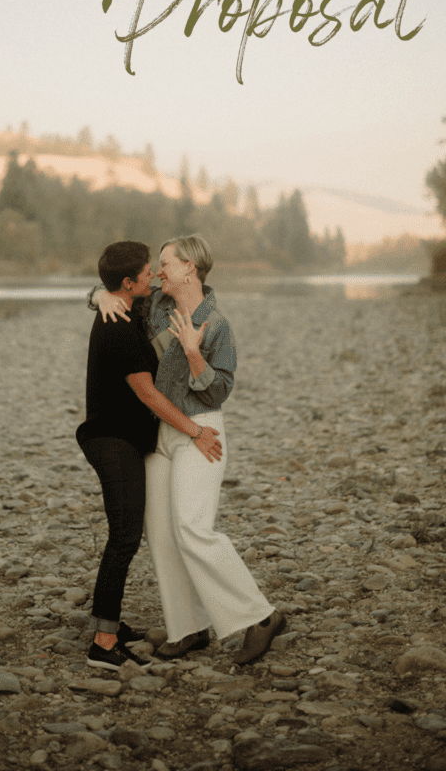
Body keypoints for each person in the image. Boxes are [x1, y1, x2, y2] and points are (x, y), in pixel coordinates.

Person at [92, 233, 286, 664]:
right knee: (160, 534)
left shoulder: (216, 325)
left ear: (189, 269)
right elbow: (119, 285)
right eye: (157, 264)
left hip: (200, 429)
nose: (159, 270)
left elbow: (218, 392)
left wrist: (195, 356)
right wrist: (99, 295)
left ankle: (260, 617)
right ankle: (188, 628)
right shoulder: (154, 306)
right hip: (157, 432)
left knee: (194, 529)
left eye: (166, 262)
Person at [77, 240, 222, 673]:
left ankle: (110, 624)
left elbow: (112, 292)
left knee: (126, 534)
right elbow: (147, 393)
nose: (154, 275)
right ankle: (103, 643)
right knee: (123, 537)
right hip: (112, 441)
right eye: (146, 272)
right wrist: (195, 430)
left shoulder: (128, 307)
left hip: (123, 439)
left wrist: (97, 293)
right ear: (127, 283)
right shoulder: (118, 325)